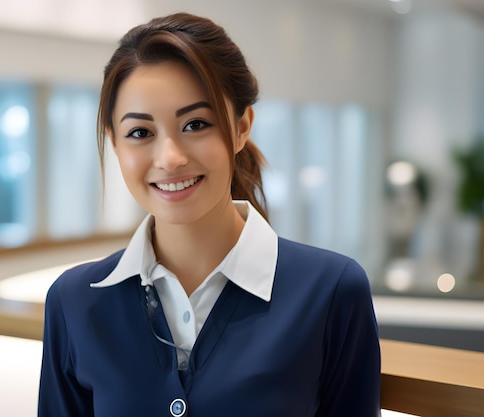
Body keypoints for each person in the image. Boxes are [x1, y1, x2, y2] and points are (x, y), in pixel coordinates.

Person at [38, 12, 380, 417]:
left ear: (241, 127)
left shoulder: (331, 292)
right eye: (140, 133)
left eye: (196, 124)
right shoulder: (75, 301)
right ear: (115, 143)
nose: (170, 158)